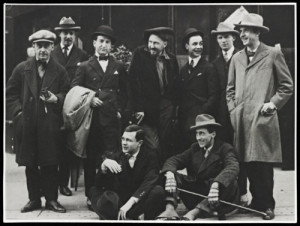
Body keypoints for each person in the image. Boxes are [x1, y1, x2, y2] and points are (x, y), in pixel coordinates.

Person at [226, 13, 294, 220]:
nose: (241, 34)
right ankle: (255, 203)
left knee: (262, 164)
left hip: (262, 118)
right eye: (240, 30)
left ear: (257, 32)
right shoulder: (237, 58)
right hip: (241, 119)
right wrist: (233, 110)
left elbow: (287, 86)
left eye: (245, 30)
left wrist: (272, 104)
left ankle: (266, 205)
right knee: (246, 162)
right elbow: (230, 89)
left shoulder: (273, 54)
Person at [6, 30, 69, 213]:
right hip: (28, 124)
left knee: (51, 163)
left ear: (52, 47)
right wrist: (18, 114)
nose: (42, 49)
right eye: (38, 45)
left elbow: (67, 93)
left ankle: (51, 199)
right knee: (31, 163)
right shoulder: (21, 69)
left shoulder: (60, 71)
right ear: (33, 47)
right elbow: (10, 94)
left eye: (46, 46)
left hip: (50, 125)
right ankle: (33, 199)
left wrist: (56, 98)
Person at [71, 25, 128, 210]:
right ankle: (90, 194)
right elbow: (75, 91)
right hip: (93, 121)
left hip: (112, 120)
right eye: (101, 41)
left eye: (107, 42)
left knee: (112, 155)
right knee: (91, 158)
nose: (104, 45)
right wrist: (90, 99)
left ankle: (109, 193)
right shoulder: (85, 66)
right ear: (94, 43)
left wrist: (120, 109)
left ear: (112, 46)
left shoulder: (118, 66)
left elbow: (126, 92)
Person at [156, 114, 240, 220]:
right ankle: (170, 209)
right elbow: (174, 160)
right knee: (170, 174)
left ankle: (194, 213)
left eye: (202, 134)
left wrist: (216, 184)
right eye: (197, 134)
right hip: (197, 196)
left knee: (231, 182)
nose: (198, 138)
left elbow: (233, 167)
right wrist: (170, 175)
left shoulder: (225, 148)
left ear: (213, 134)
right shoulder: (194, 148)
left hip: (218, 199)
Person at [128, 27, 180, 165]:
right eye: (150, 42)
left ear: (165, 44)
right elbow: (132, 82)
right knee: (153, 145)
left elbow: (175, 86)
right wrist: (138, 108)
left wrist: (172, 108)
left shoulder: (172, 59)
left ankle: (162, 175)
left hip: (165, 109)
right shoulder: (140, 54)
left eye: (156, 43)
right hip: (145, 111)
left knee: (166, 144)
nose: (151, 46)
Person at [90, 125, 165, 220]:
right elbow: (99, 184)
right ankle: (127, 216)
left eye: (129, 140)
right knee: (96, 193)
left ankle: (122, 216)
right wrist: (103, 167)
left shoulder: (151, 156)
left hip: (137, 200)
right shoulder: (116, 154)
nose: (124, 143)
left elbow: (149, 181)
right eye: (123, 139)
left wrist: (130, 203)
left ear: (140, 143)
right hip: (120, 199)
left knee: (158, 192)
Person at [210, 22, 248, 207]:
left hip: (241, 112)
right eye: (220, 37)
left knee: (242, 151)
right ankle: (227, 194)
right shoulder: (215, 62)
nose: (223, 40)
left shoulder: (243, 57)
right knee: (226, 152)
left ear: (234, 37)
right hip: (222, 116)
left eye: (226, 36)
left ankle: (243, 192)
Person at [52, 16, 89, 197]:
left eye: (71, 33)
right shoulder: (52, 53)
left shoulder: (82, 56)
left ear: (75, 36)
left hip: (72, 108)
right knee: (53, 146)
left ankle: (63, 184)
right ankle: (50, 184)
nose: (68, 36)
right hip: (54, 106)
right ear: (59, 34)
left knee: (67, 147)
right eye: (65, 33)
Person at [178, 28, 219, 151]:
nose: (199, 47)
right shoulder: (183, 70)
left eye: (201, 44)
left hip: (202, 120)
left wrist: (202, 113)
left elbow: (214, 96)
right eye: (195, 44)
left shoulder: (209, 67)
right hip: (185, 120)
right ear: (187, 46)